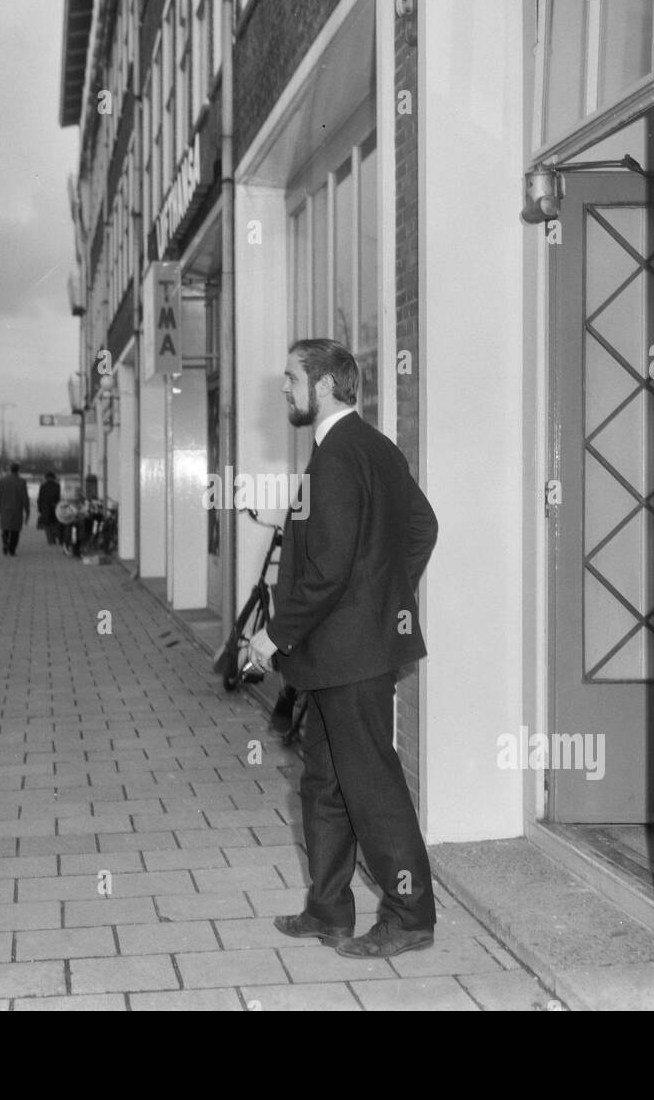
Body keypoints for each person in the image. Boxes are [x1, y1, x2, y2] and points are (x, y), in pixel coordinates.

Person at [247, 338, 438, 960]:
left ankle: (410, 916)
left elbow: (327, 570)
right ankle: (329, 909)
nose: (284, 389)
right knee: (325, 779)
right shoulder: (376, 448)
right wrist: (383, 596)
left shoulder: (335, 457)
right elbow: (421, 527)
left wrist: (272, 637)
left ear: (324, 385)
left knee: (370, 783)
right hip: (347, 652)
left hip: (348, 655)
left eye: (291, 378)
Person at [0, 463, 29, 556]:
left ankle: (5, 543)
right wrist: (27, 511)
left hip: (4, 509)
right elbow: (24, 497)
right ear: (18, 470)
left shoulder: (2, 481)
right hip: (17, 510)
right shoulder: (21, 481)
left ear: (10, 469)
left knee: (5, 529)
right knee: (15, 531)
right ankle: (12, 549)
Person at [37, 472, 62, 545]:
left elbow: (40, 498)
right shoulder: (57, 486)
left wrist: (40, 508)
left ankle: (50, 540)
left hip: (45, 508)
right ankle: (54, 537)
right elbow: (58, 498)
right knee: (55, 523)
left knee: (47, 525)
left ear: (46, 478)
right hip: (54, 507)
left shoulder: (43, 486)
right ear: (54, 478)